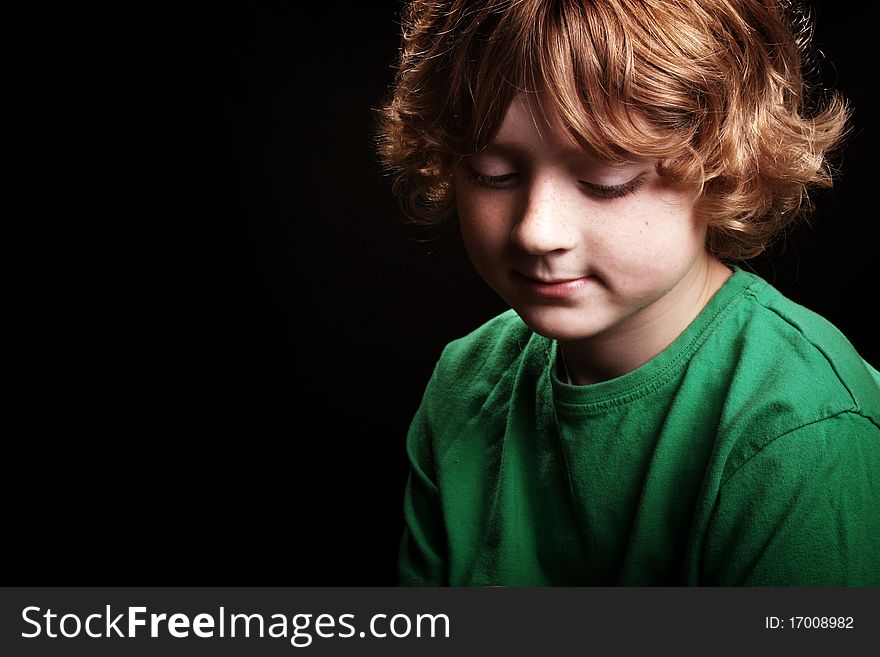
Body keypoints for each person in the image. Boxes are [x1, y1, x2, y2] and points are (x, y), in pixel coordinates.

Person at [376, 0, 880, 585]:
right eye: (494, 173)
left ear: (721, 160)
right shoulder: (464, 384)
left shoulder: (802, 426)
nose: (536, 230)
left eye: (605, 181)